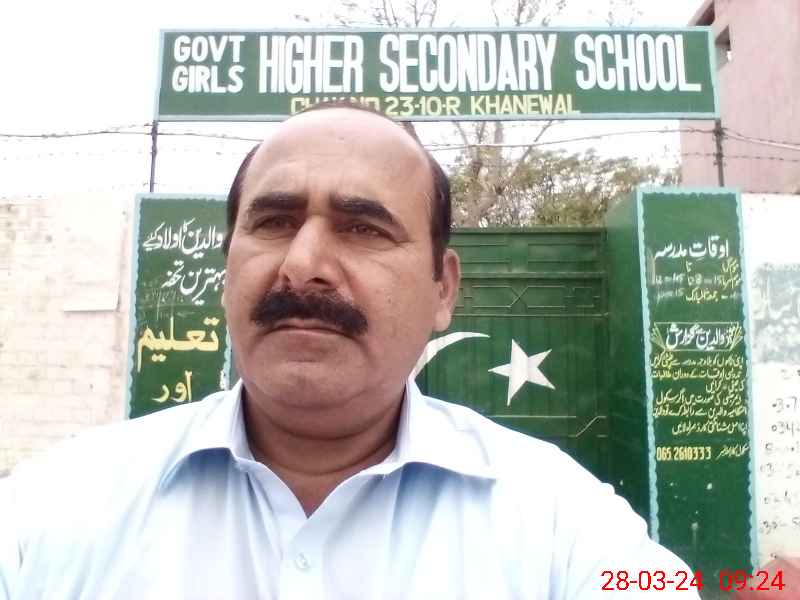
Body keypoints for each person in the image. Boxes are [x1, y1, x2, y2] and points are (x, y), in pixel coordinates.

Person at [0, 102, 699, 599]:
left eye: (363, 229)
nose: (302, 265)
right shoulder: (53, 509)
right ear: (227, 268)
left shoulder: (564, 526)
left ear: (442, 289)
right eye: (274, 222)